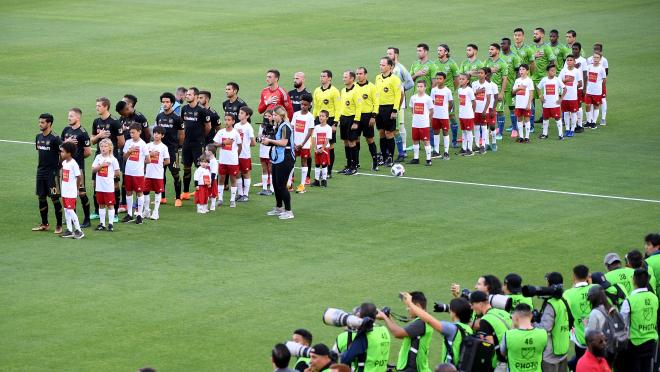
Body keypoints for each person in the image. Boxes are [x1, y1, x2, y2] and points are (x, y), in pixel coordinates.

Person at [401, 293, 473, 368]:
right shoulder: (469, 329)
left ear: (454, 313)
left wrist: (410, 303)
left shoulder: (452, 329)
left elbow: (429, 320)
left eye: (450, 309)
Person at [377, 292, 432, 372]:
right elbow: (403, 333)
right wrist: (388, 318)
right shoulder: (424, 321)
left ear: (417, 306)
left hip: (413, 369)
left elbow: (398, 333)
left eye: (409, 306)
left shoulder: (421, 322)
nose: (407, 309)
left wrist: (385, 317)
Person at [90, 97, 123, 221]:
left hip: (111, 158)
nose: (97, 108)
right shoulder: (96, 121)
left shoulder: (115, 122)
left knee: (114, 184)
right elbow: (92, 141)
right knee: (95, 184)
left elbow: (121, 142)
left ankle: (114, 213)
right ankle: (97, 211)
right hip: (98, 157)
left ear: (106, 107)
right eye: (97, 105)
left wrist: (110, 153)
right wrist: (99, 135)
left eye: (99, 106)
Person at [620, 269, 658, 371]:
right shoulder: (654, 298)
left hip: (634, 344)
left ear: (633, 281)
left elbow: (623, 323)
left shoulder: (629, 300)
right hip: (651, 341)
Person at [262, 106, 295, 220]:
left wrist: (270, 141)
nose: (273, 117)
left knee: (281, 185)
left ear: (280, 116)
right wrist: (266, 142)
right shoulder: (279, 125)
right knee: (275, 184)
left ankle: (289, 211)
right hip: (278, 157)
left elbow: (283, 142)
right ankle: (279, 208)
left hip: (286, 158)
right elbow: (277, 142)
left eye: (275, 115)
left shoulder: (285, 126)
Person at [533, 272, 570, 372]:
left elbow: (545, 328)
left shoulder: (551, 304)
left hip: (550, 356)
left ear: (550, 284)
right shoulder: (565, 299)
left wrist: (533, 323)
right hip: (563, 349)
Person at [61, 107, 92, 228]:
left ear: (78, 117)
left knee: (81, 192)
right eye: (68, 116)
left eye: (72, 116)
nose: (69, 118)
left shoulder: (83, 133)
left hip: (78, 168)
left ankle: (87, 219)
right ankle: (69, 215)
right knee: (68, 192)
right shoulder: (66, 130)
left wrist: (76, 159)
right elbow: (62, 147)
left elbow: (88, 152)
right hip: (66, 167)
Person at [33, 113, 63, 234]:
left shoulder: (55, 138)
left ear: (49, 123)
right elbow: (39, 152)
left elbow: (63, 155)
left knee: (55, 199)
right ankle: (44, 223)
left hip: (52, 174)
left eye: (42, 122)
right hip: (40, 172)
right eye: (39, 122)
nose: (40, 124)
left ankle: (59, 225)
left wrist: (57, 169)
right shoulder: (38, 137)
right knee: (41, 198)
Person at [180, 87, 211, 202]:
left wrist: (201, 137)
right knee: (186, 168)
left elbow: (208, 127)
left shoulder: (202, 110)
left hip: (198, 144)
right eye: (186, 94)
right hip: (186, 143)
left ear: (196, 96)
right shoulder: (184, 109)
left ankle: (201, 192)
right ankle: (186, 192)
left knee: (200, 168)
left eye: (189, 94)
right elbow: (182, 124)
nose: (186, 96)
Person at [339, 302, 391, 372]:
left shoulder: (365, 334)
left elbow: (346, 359)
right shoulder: (384, 330)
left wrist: (344, 353)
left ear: (360, 315)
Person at [469, 290, 512, 372]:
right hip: (513, 358)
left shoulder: (485, 320)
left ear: (480, 304)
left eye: (472, 304)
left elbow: (489, 347)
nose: (471, 307)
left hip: (502, 363)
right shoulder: (502, 312)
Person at [154, 92, 184, 206]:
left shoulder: (177, 118)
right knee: (161, 173)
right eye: (163, 102)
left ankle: (177, 198)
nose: (165, 104)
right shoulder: (159, 116)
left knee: (175, 173)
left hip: (173, 151)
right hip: (160, 150)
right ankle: (162, 197)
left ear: (172, 103)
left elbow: (182, 134)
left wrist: (179, 147)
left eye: (167, 102)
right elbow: (157, 131)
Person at [563, 264, 594, 370]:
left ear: (574, 277)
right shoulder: (595, 288)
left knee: (581, 364)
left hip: (580, 338)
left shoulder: (568, 293)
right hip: (596, 337)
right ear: (587, 276)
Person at [501, 304, 547, 372]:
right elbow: (542, 350)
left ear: (515, 317)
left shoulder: (508, 335)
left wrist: (513, 326)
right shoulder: (543, 333)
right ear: (531, 316)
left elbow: (503, 353)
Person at [387, 46, 414, 160]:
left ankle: (402, 149)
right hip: (388, 102)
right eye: (387, 53)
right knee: (389, 126)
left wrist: (401, 89)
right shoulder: (387, 68)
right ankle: (390, 148)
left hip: (399, 102)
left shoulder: (400, 68)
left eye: (390, 53)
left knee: (400, 126)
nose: (388, 55)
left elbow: (410, 82)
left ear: (396, 55)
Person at [375, 57, 402, 167]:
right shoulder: (377, 78)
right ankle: (384, 156)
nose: (381, 66)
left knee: (389, 133)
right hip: (379, 109)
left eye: (383, 65)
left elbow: (398, 95)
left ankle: (390, 156)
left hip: (389, 108)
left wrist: (395, 110)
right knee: (381, 132)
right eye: (380, 64)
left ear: (390, 66)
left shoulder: (395, 79)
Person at [312, 70, 341, 175]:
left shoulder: (334, 91)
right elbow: (316, 107)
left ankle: (328, 170)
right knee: (318, 144)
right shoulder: (317, 90)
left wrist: (335, 123)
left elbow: (338, 108)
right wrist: (314, 120)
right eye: (321, 76)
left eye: (324, 76)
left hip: (330, 119)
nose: (321, 78)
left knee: (330, 146)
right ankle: (320, 169)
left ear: (329, 78)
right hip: (318, 119)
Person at [432, 44, 461, 147]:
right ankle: (434, 142)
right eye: (437, 50)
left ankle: (454, 140)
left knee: (451, 116)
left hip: (448, 94)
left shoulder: (452, 64)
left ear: (446, 52)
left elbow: (457, 80)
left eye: (440, 50)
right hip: (437, 94)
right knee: (435, 116)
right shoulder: (435, 63)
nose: (438, 52)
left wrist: (451, 90)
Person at [121, 123, 149, 224]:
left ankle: (139, 215)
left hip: (138, 173)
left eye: (133, 132)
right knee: (128, 191)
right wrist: (129, 151)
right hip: (128, 172)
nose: (131, 134)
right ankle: (129, 213)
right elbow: (124, 157)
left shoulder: (143, 144)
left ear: (139, 132)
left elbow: (148, 159)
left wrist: (141, 162)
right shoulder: (128, 142)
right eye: (130, 133)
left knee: (139, 192)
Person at [213, 113, 242, 208]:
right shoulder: (221, 132)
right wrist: (223, 143)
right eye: (225, 119)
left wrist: (236, 156)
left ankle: (232, 200)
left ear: (233, 121)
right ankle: (220, 199)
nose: (227, 122)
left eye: (229, 120)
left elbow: (239, 146)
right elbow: (214, 144)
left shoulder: (235, 133)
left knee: (233, 179)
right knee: (221, 179)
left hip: (233, 161)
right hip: (222, 160)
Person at [91, 139, 120, 231]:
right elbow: (93, 170)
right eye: (101, 146)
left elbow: (117, 172)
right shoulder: (98, 157)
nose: (103, 148)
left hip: (108, 187)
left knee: (110, 205)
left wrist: (110, 178)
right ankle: (102, 224)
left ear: (110, 148)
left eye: (105, 146)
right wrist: (101, 166)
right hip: (99, 186)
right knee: (101, 204)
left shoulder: (113, 159)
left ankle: (110, 224)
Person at [354, 67, 379, 171]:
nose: (358, 75)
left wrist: (373, 117)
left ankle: (375, 162)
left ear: (365, 75)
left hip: (367, 116)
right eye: (357, 74)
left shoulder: (372, 87)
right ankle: (356, 162)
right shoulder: (353, 87)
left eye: (360, 73)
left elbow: (376, 103)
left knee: (369, 139)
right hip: (355, 117)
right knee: (355, 140)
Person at [511, 28, 537, 129]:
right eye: (515, 35)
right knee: (516, 101)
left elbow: (532, 64)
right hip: (515, 80)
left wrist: (530, 75)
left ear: (523, 36)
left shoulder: (528, 49)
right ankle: (517, 123)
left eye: (519, 35)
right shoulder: (511, 49)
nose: (517, 37)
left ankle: (531, 124)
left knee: (530, 102)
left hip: (526, 80)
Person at [531, 28, 557, 125]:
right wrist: (534, 56)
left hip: (543, 78)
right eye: (534, 33)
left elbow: (552, 61)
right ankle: (531, 119)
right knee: (531, 99)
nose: (534, 35)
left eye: (536, 34)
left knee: (544, 100)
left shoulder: (546, 47)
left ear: (542, 35)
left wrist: (550, 74)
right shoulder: (531, 47)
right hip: (532, 77)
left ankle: (544, 118)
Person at [143, 127, 170, 220]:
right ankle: (146, 211)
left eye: (158, 133)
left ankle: (155, 212)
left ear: (162, 136)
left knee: (157, 192)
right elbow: (142, 158)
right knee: (145, 192)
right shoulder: (147, 146)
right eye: (154, 133)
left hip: (158, 174)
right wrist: (150, 155)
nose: (156, 135)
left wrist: (159, 165)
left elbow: (167, 161)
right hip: (148, 174)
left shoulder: (163, 147)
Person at [484, 43, 509, 142]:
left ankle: (500, 133)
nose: (490, 51)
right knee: (487, 111)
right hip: (487, 91)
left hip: (497, 90)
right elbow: (482, 73)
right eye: (489, 49)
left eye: (492, 49)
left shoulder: (502, 63)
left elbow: (505, 79)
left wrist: (502, 93)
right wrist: (490, 70)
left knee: (499, 111)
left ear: (498, 51)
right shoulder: (487, 61)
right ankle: (488, 131)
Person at [59, 141, 84, 239]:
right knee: (66, 210)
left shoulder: (74, 164)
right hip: (65, 191)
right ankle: (69, 230)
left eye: (63, 152)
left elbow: (79, 177)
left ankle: (79, 230)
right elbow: (63, 176)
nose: (61, 153)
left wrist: (77, 189)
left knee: (70, 210)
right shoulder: (64, 162)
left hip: (71, 191)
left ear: (69, 153)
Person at [338, 71, 361, 175]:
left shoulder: (356, 90)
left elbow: (359, 107)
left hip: (352, 119)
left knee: (352, 142)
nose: (344, 79)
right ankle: (348, 165)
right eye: (343, 77)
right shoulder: (343, 90)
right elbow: (341, 106)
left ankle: (354, 166)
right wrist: (339, 119)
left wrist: (356, 121)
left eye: (346, 77)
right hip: (344, 118)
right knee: (346, 142)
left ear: (352, 79)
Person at [290, 94, 315, 189]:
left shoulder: (310, 117)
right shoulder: (296, 114)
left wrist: (302, 144)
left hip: (304, 144)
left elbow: (310, 132)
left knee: (304, 162)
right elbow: (292, 128)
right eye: (302, 104)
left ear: (309, 105)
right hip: (295, 143)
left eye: (305, 105)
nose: (303, 106)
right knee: (292, 161)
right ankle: (289, 183)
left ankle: (302, 184)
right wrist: (294, 142)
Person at [500, 38, 522, 138]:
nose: (501, 45)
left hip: (510, 87)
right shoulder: (498, 56)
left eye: (503, 43)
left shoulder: (514, 57)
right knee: (498, 109)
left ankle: (514, 129)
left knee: (512, 108)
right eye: (501, 43)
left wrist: (516, 85)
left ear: (509, 45)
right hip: (499, 88)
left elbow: (518, 72)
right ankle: (499, 128)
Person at [536, 64, 566, 140]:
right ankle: (545, 134)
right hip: (546, 104)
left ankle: (561, 135)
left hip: (555, 104)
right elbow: (538, 87)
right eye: (552, 71)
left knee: (558, 118)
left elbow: (565, 89)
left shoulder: (557, 79)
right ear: (547, 72)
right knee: (545, 118)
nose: (554, 72)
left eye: (555, 71)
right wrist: (540, 96)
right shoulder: (544, 79)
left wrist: (561, 99)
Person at [408, 80, 434, 165]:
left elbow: (431, 111)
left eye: (421, 86)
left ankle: (428, 159)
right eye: (418, 86)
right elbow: (412, 108)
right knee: (415, 140)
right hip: (415, 123)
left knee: (426, 141)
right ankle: (416, 158)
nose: (419, 88)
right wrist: (414, 116)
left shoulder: (428, 98)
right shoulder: (413, 98)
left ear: (425, 87)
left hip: (424, 124)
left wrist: (429, 120)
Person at [558, 55, 583, 137]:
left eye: (571, 60)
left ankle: (572, 129)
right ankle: (567, 129)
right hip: (565, 96)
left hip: (573, 96)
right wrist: (565, 80)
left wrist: (573, 87)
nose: (569, 61)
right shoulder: (563, 71)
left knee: (573, 113)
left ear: (574, 62)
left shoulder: (577, 71)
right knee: (565, 113)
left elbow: (580, 83)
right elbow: (558, 82)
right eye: (567, 60)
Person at [430, 72, 453, 159]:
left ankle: (446, 152)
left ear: (444, 80)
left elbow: (451, 103)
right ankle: (436, 151)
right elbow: (432, 102)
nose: (438, 80)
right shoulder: (433, 90)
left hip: (444, 116)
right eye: (437, 78)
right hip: (435, 115)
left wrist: (447, 112)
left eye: (440, 79)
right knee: (436, 132)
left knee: (445, 132)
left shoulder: (447, 91)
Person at [471, 67, 493, 154]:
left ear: (485, 75)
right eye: (478, 73)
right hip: (476, 109)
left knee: (484, 127)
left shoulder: (488, 85)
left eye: (481, 73)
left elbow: (488, 99)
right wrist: (477, 92)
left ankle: (483, 145)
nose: (479, 74)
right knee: (476, 127)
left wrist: (485, 110)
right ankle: (476, 145)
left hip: (484, 110)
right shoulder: (474, 83)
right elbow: (471, 96)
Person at [235, 106, 256, 202]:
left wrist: (245, 145)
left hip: (245, 155)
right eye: (239, 112)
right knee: (237, 173)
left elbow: (253, 143)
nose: (239, 114)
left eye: (242, 113)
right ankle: (240, 193)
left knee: (246, 173)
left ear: (247, 116)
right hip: (236, 154)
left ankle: (246, 194)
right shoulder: (236, 126)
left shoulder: (248, 127)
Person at [587, 44, 609, 126]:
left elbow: (606, 74)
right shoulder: (589, 59)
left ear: (601, 50)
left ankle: (603, 118)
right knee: (590, 102)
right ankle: (591, 120)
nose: (596, 50)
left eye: (598, 49)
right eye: (595, 49)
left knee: (602, 100)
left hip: (600, 84)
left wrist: (601, 85)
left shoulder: (604, 60)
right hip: (591, 85)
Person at [512, 64, 534, 143]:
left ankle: (527, 137)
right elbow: (513, 92)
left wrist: (529, 104)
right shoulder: (517, 80)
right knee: (519, 119)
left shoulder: (529, 80)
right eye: (520, 69)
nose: (521, 71)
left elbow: (531, 93)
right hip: (518, 104)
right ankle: (521, 137)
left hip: (526, 104)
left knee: (527, 119)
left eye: (523, 69)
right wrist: (519, 88)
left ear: (527, 71)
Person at [584, 53, 607, 129]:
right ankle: (588, 121)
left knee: (596, 106)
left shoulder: (601, 68)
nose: (595, 59)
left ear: (600, 59)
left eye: (597, 58)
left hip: (597, 91)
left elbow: (604, 80)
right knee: (587, 106)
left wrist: (600, 88)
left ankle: (593, 122)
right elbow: (586, 77)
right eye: (594, 57)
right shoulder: (589, 67)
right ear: (592, 58)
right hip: (589, 91)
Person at [311, 110, 333, 188]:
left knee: (324, 165)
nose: (321, 117)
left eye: (323, 116)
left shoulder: (328, 128)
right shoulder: (316, 127)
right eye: (320, 116)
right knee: (317, 164)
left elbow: (327, 139)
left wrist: (322, 148)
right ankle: (316, 180)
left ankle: (324, 180)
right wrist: (315, 148)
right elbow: (313, 138)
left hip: (324, 150)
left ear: (327, 118)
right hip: (317, 149)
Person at [456, 73, 476, 156]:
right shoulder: (459, 90)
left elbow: (474, 102)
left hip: (468, 115)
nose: (461, 80)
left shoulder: (469, 90)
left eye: (463, 79)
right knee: (463, 131)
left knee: (469, 132)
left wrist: (472, 113)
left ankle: (470, 149)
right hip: (462, 114)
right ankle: (464, 148)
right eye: (460, 79)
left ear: (467, 81)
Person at [258, 109, 275, 196]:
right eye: (266, 116)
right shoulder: (261, 126)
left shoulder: (274, 126)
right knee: (264, 169)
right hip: (262, 149)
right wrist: (260, 138)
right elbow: (259, 137)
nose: (267, 117)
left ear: (273, 117)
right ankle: (264, 188)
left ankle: (272, 189)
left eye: (269, 116)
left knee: (271, 169)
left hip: (270, 150)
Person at [205, 146, 219, 211]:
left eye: (206, 150)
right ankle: (206, 205)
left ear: (210, 152)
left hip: (212, 180)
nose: (205, 151)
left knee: (213, 193)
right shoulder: (209, 160)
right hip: (207, 179)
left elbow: (213, 173)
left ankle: (213, 206)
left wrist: (211, 182)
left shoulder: (214, 162)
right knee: (207, 193)